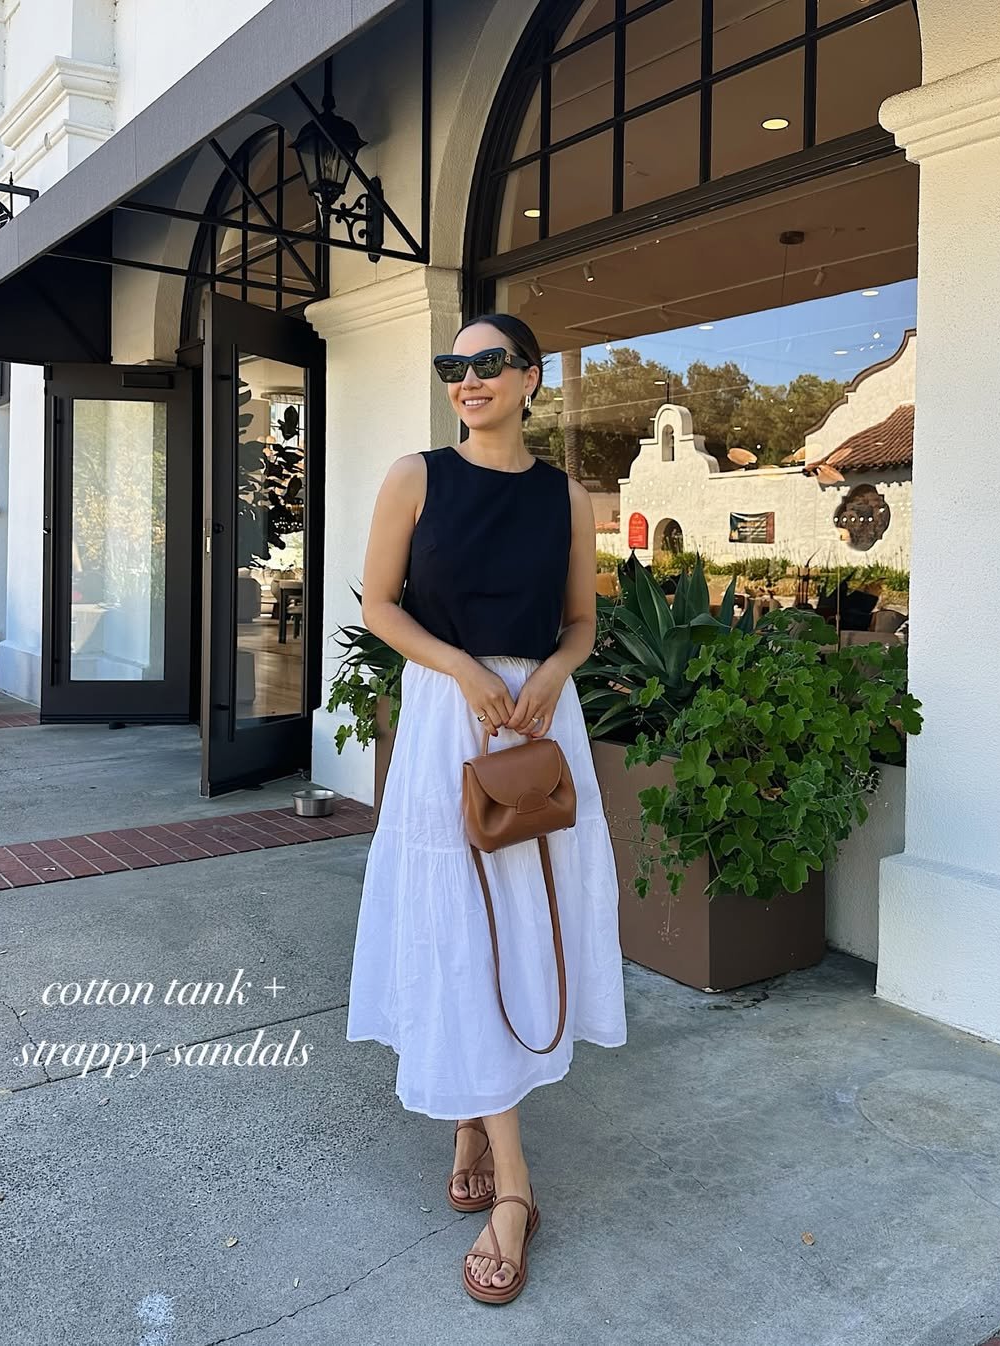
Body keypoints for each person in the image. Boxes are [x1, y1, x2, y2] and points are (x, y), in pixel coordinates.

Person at [345, 313, 627, 1304]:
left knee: (521, 920)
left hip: (538, 728)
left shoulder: (565, 496)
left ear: (530, 377)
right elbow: (381, 605)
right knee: (462, 924)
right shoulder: (415, 477)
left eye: (488, 363)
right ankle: (515, 1186)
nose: (467, 380)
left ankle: (472, 1114)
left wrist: (549, 672)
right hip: (448, 719)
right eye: (452, 366)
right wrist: (464, 669)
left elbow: (583, 621)